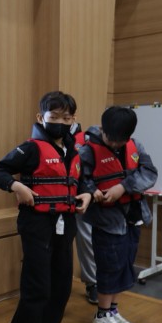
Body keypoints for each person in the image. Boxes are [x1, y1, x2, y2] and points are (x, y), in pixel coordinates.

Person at [0, 91, 92, 323]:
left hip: (65, 222)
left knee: (61, 285)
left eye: (67, 118)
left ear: (74, 120)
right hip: (37, 223)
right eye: (54, 116)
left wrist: (86, 194)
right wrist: (16, 186)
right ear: (40, 117)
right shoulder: (30, 149)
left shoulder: (74, 151)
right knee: (37, 287)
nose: (61, 122)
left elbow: (80, 181)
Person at [79, 106, 158, 323]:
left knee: (124, 264)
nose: (114, 144)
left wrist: (123, 187)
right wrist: (93, 191)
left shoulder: (136, 146)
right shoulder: (88, 150)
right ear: (102, 129)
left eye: (120, 141)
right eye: (110, 139)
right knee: (109, 266)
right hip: (107, 221)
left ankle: (113, 310)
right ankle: (102, 314)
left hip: (132, 216)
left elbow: (150, 173)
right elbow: (80, 179)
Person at [71, 122, 99, 304]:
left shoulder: (90, 138)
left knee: (89, 239)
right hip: (58, 198)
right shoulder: (43, 138)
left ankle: (94, 283)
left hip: (90, 195)